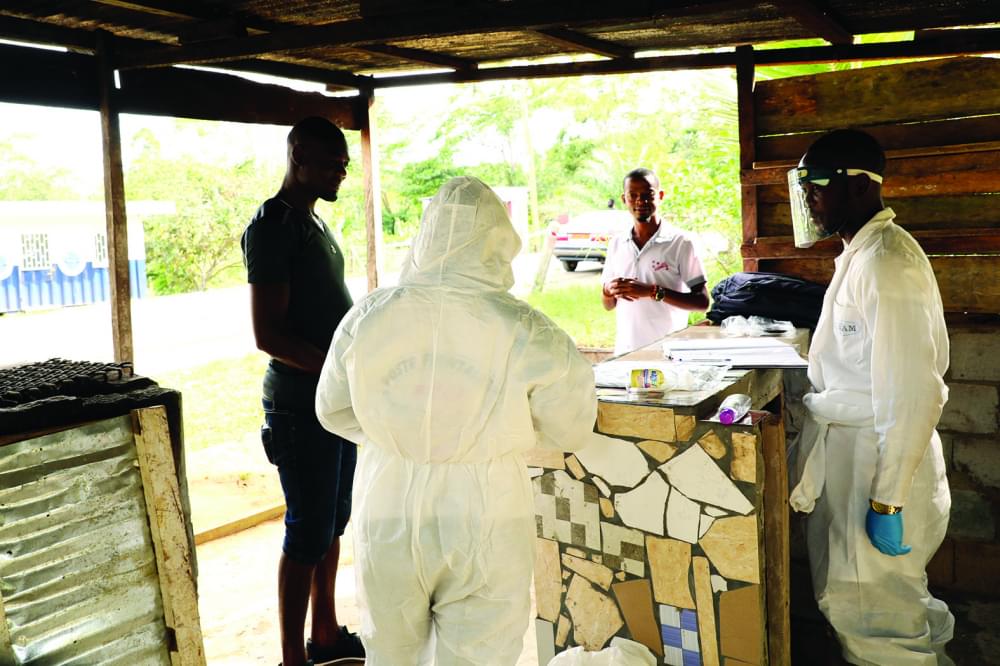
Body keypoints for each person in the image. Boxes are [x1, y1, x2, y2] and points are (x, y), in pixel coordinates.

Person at [315, 176, 598, 665]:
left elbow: (332, 409)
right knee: (481, 653)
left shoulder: (369, 316)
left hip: (387, 501)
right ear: (499, 240)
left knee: (392, 650)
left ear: (426, 236)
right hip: (485, 507)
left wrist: (399, 438)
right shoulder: (525, 327)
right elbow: (571, 427)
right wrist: (495, 433)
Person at [787, 129, 953, 664]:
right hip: (855, 454)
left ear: (857, 186)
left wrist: (888, 498)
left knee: (875, 617)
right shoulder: (860, 253)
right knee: (880, 606)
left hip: (875, 466)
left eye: (816, 184)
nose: (809, 197)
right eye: (805, 185)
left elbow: (912, 390)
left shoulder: (886, 261)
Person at [241, 116, 364, 666]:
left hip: (332, 401)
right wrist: (335, 369)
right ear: (298, 156)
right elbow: (268, 334)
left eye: (344, 165)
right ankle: (294, 658)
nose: (342, 172)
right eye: (333, 163)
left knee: (331, 521)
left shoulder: (313, 222)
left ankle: (328, 636)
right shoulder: (273, 225)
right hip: (298, 404)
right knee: (306, 529)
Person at [601, 168, 709, 355]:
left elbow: (702, 302)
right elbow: (608, 305)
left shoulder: (680, 242)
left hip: (668, 352)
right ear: (624, 199)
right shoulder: (617, 243)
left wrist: (653, 291)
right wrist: (608, 290)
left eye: (647, 195)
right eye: (632, 195)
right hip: (626, 353)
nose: (640, 201)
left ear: (659, 195)